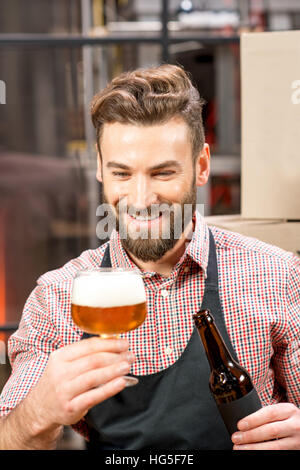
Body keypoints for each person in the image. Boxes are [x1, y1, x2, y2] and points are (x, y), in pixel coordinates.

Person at [0, 64, 299, 450]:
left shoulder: (276, 274)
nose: (140, 200)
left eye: (162, 173)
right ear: (100, 169)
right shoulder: (58, 298)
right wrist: (38, 412)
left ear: (201, 166)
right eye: (122, 174)